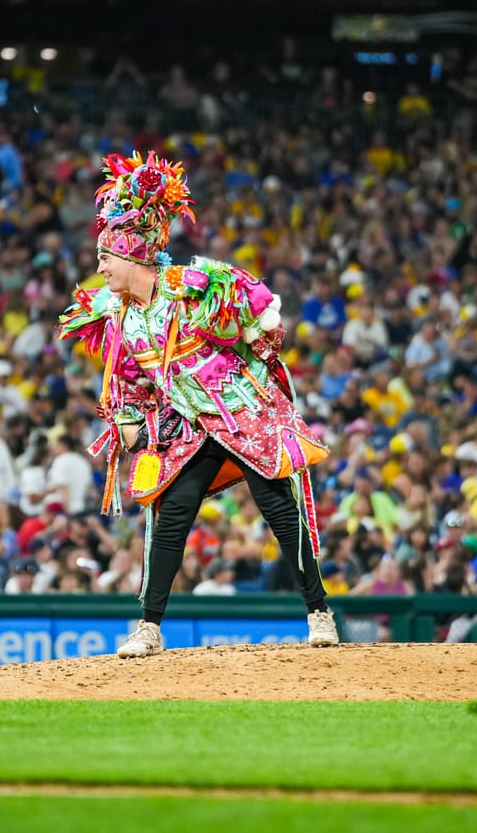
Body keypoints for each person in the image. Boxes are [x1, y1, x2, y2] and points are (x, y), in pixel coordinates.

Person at [59, 150, 338, 657]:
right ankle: (148, 627)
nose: (99, 266)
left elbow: (258, 315)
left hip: (242, 412)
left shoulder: (190, 287)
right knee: (171, 516)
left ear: (133, 256)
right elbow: (126, 380)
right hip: (190, 424)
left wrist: (259, 346)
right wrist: (127, 422)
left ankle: (319, 612)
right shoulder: (120, 317)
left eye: (106, 257)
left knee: (277, 506)